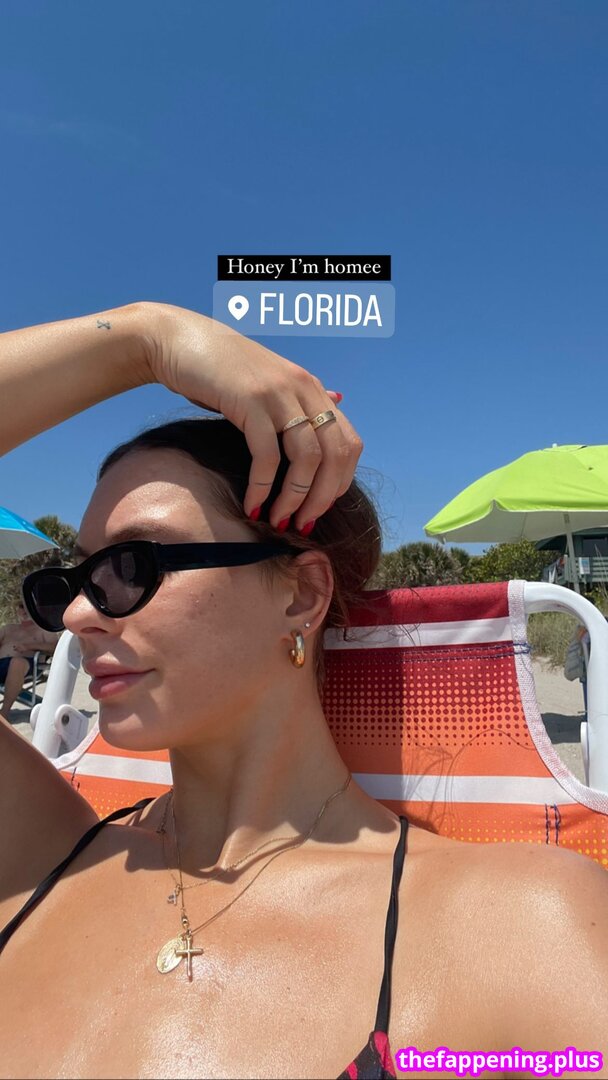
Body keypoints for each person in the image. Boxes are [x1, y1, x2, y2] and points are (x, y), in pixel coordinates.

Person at [0, 301, 606, 1080]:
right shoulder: (45, 849)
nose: (79, 613)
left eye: (131, 565)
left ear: (301, 596)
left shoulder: (520, 928)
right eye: (71, 582)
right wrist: (149, 339)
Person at [0, 602, 59, 720]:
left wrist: (29, 646)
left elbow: (55, 648)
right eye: (22, 606)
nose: (25, 610)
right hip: (2, 663)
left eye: (29, 606)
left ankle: (3, 714)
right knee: (15, 662)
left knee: (16, 662)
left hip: (28, 665)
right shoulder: (8, 629)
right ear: (17, 610)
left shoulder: (43, 629)